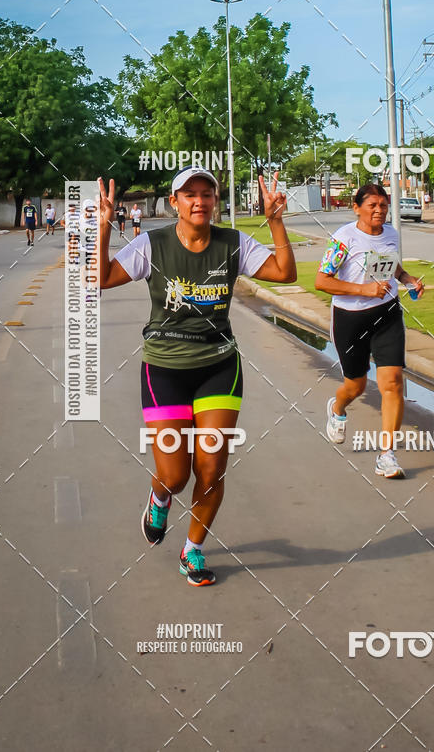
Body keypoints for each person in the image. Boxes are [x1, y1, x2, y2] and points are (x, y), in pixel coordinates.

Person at [98, 167, 296, 587]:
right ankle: (160, 496)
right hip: (164, 369)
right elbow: (101, 279)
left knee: (211, 468)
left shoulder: (233, 243)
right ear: (175, 203)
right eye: (190, 195)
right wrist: (102, 228)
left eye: (208, 194)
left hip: (219, 367)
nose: (200, 201)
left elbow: (284, 273)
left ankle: (193, 550)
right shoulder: (152, 244)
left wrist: (276, 222)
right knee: (176, 474)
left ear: (215, 201)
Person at [315, 184, 424, 479]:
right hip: (350, 319)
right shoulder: (344, 238)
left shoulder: (391, 234)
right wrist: (363, 289)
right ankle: (337, 408)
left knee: (393, 382)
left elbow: (392, 266)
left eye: (383, 205)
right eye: (372, 205)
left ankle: (386, 455)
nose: (379, 210)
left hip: (386, 314)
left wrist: (407, 278)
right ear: (357, 207)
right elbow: (322, 281)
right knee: (357, 386)